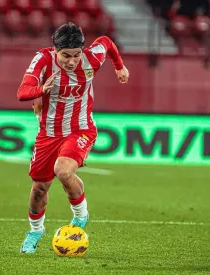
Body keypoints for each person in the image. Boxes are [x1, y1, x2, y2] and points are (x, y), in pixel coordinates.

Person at [16, 22, 129, 254]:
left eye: (76, 55)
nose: (71, 61)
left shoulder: (92, 59)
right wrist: (40, 90)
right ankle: (36, 231)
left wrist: (120, 67)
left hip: (81, 129)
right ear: (54, 50)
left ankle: (80, 216)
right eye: (65, 55)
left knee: (64, 171)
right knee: (39, 188)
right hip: (48, 134)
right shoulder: (42, 59)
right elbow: (22, 92)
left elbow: (106, 43)